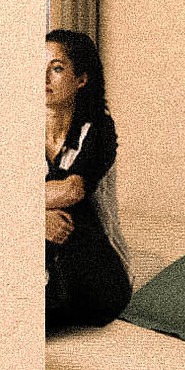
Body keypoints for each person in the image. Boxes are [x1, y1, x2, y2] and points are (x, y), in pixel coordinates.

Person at [45, 29, 131, 332]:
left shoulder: (98, 130)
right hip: (48, 265)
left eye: (57, 68)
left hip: (97, 272)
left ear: (81, 79)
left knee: (69, 214)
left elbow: (72, 190)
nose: (43, 78)